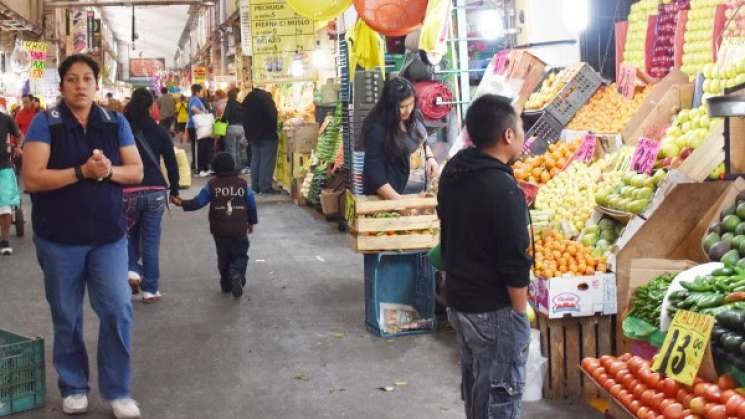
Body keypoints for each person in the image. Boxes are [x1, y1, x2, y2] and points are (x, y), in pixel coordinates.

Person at [22, 54, 144, 419]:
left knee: (117, 310)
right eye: (72, 79)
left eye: (87, 78)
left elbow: (135, 171)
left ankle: (118, 390)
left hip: (108, 237)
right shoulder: (47, 124)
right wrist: (81, 172)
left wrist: (107, 172)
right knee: (67, 314)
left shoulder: (114, 121)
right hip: (59, 239)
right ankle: (74, 386)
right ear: (62, 86)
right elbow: (32, 178)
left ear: (96, 84)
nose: (80, 85)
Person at [437, 95, 532, 419]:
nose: (523, 136)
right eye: (520, 128)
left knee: (479, 387)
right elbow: (515, 261)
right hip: (493, 309)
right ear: (508, 135)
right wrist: (519, 315)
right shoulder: (502, 188)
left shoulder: (454, 172)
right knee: (500, 397)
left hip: (460, 301)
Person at [123, 87, 180, 303]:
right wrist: (174, 189)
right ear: (150, 107)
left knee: (127, 234)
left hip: (127, 190)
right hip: (155, 192)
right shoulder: (159, 131)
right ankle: (150, 290)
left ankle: (132, 271)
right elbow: (171, 162)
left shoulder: (122, 129)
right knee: (151, 239)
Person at [172, 152, 258, 298]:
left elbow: (199, 202)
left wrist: (182, 203)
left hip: (220, 230)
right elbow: (251, 204)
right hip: (239, 229)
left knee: (223, 257)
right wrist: (251, 221)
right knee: (240, 255)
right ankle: (237, 273)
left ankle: (226, 283)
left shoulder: (212, 185)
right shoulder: (242, 184)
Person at [362, 77, 439, 199]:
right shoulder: (377, 130)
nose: (408, 110)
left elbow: (422, 141)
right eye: (402, 106)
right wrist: (398, 201)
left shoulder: (415, 116)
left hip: (417, 195)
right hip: (391, 197)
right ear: (390, 107)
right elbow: (374, 173)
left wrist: (430, 158)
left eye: (411, 104)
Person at [242, 87, 278, 194]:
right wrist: (273, 129)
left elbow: (243, 117)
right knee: (266, 161)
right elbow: (272, 116)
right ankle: (265, 187)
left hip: (252, 136)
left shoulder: (247, 99)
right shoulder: (267, 99)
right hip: (267, 135)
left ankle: (255, 186)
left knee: (256, 160)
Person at [0, 107, 23, 255]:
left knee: (4, 207)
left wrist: (18, 147)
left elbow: (19, 135)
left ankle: (5, 240)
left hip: (3, 167)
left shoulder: (5, 118)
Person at [187, 84, 212, 176]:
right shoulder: (195, 99)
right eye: (201, 91)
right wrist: (203, 113)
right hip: (195, 127)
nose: (202, 93)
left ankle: (203, 168)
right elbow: (193, 109)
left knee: (202, 147)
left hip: (197, 127)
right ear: (197, 92)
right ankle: (199, 169)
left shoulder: (195, 99)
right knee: (198, 148)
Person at [222, 88, 245, 170]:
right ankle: (239, 167)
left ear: (228, 96)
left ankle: (233, 168)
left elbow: (225, 117)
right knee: (239, 149)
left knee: (231, 150)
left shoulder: (229, 104)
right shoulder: (240, 104)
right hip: (241, 128)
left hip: (232, 128)